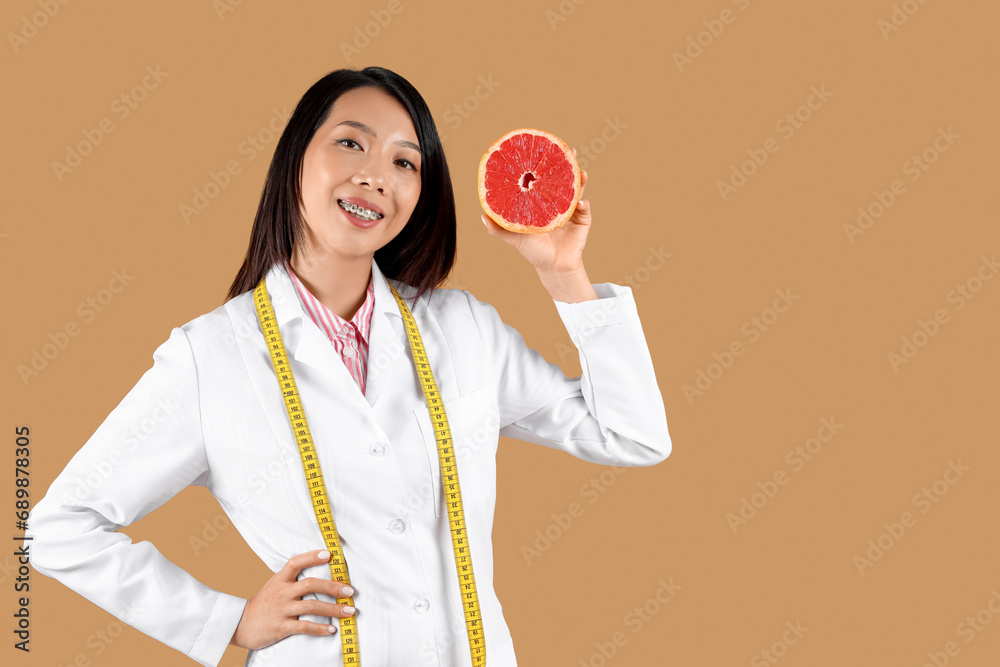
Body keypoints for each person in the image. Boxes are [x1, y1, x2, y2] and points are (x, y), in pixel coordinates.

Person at [26, 66, 671, 666]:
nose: (376, 176)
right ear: (295, 161)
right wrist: (228, 620)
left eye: (404, 161)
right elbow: (59, 528)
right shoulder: (211, 357)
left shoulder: (464, 329)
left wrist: (565, 275)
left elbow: (633, 435)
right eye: (350, 144)